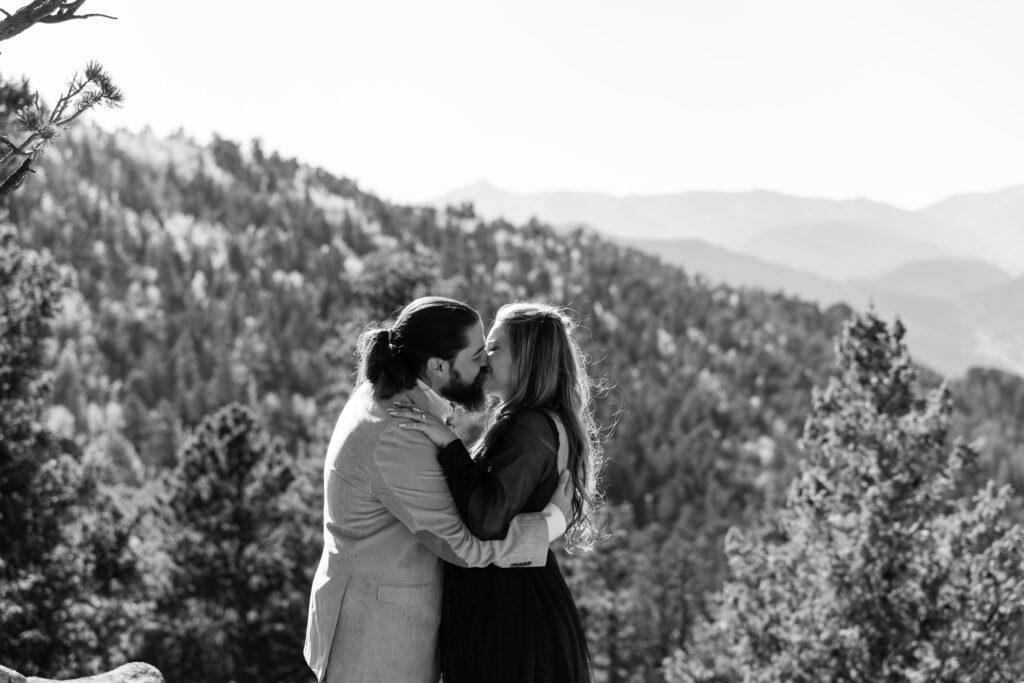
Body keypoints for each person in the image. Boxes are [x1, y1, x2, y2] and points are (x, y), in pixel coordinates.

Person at [304, 296, 573, 683]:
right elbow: (463, 545)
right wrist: (549, 526)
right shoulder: (400, 431)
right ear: (438, 365)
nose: (485, 363)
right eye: (480, 352)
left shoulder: (385, 396)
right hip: (379, 644)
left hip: (371, 625)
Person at [391, 302, 603, 683]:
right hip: (510, 606)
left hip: (511, 618)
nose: (483, 358)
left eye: (495, 347)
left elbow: (486, 519)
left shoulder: (529, 426)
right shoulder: (535, 421)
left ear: (528, 360)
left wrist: (451, 446)